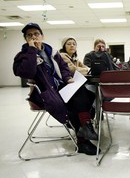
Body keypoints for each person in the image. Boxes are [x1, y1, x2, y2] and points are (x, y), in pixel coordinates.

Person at [13, 23, 99, 156]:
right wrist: (31, 50)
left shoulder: (51, 51)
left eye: (36, 34)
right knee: (74, 104)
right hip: (45, 93)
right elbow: (27, 73)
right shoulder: (23, 55)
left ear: (42, 36)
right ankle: (83, 139)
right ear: (26, 39)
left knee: (84, 92)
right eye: (29, 35)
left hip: (60, 87)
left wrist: (68, 78)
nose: (33, 37)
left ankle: (85, 127)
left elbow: (64, 67)